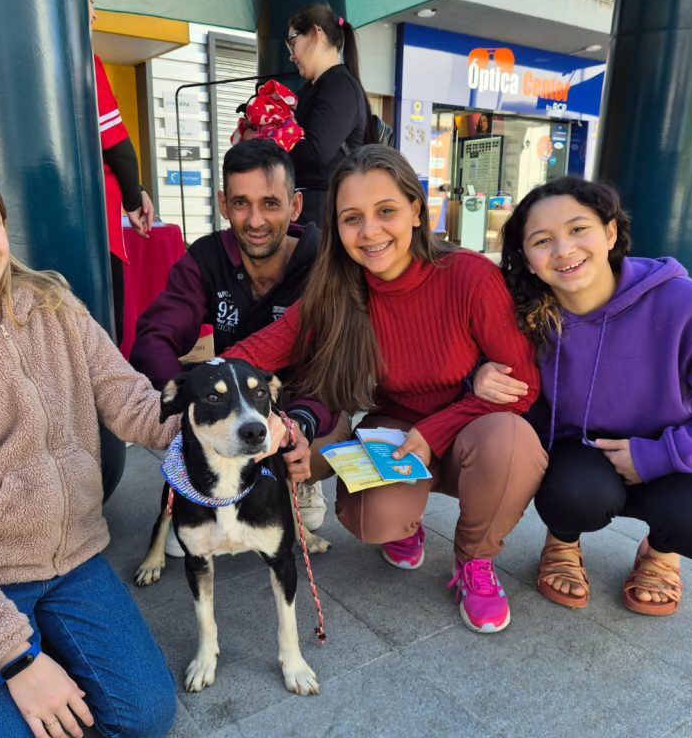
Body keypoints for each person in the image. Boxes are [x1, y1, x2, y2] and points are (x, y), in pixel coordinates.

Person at [0, 150, 286, 737]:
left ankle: (13, 636)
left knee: (146, 716)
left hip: (75, 559)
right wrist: (17, 660)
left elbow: (127, 398)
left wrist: (224, 428)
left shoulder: (54, 307)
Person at [226, 145, 547, 634]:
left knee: (513, 444)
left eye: (386, 211)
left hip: (473, 428)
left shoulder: (469, 276)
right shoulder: (337, 289)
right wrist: (192, 387)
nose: (370, 232)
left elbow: (522, 386)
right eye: (352, 217)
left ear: (417, 211)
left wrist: (436, 431)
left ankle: (474, 560)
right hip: (395, 428)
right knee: (372, 519)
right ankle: (407, 519)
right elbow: (265, 347)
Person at [478, 176, 692, 616]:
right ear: (527, 260)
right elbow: (462, 361)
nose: (563, 249)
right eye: (542, 240)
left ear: (609, 233)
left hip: (667, 450)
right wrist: (479, 375)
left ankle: (662, 553)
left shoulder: (687, 306)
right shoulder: (527, 312)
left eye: (578, 229)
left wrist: (660, 455)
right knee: (572, 496)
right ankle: (563, 541)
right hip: (577, 454)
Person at [131, 139, 350, 532]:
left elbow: (335, 371)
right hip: (228, 400)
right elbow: (154, 338)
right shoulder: (205, 257)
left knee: (332, 422)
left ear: (295, 205)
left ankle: (300, 481)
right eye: (240, 203)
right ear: (222, 203)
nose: (254, 220)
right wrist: (187, 409)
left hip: (300, 396)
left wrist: (298, 424)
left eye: (270, 203)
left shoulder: (324, 265)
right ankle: (197, 487)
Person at [88, 0, 156, 341]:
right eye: (89, 2)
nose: (95, 14)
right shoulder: (82, 59)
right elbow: (115, 143)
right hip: (95, 228)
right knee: (102, 338)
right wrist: (135, 196)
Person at [283, 3, 369, 226]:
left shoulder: (339, 85)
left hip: (321, 214)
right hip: (309, 208)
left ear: (315, 33)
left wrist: (273, 141)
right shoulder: (315, 87)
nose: (292, 56)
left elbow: (316, 153)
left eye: (292, 43)